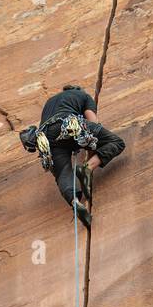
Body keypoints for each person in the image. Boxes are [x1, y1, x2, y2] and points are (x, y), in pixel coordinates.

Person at [26, 84, 125, 228]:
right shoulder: (83, 96)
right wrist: (92, 144)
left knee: (62, 173)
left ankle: (75, 202)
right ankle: (88, 168)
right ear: (79, 90)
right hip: (69, 125)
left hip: (46, 139)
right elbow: (92, 122)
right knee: (116, 142)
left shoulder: (50, 102)